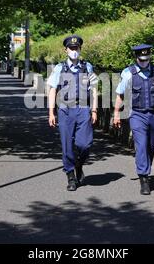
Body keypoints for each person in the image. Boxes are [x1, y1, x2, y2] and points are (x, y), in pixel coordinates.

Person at [113, 44, 154, 195]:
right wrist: (116, 112)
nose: (144, 62)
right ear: (136, 58)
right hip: (137, 114)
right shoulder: (128, 73)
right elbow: (120, 94)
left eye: (146, 59)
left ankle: (145, 170)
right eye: (141, 59)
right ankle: (144, 178)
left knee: (151, 144)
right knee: (141, 144)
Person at [47, 34, 98, 191]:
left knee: (85, 144)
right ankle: (70, 176)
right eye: (71, 48)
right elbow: (52, 90)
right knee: (67, 145)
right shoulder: (59, 68)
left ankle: (79, 165)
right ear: (66, 50)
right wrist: (51, 112)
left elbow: (94, 90)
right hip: (65, 110)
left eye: (76, 48)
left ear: (80, 49)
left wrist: (94, 109)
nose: (74, 51)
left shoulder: (87, 67)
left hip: (83, 108)